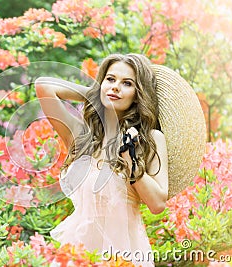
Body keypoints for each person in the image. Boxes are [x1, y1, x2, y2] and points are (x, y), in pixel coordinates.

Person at [35, 53, 169, 266]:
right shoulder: (83, 136)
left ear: (138, 94)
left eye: (127, 83)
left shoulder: (150, 139)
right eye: (110, 79)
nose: (115, 87)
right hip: (78, 254)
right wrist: (98, 93)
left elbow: (157, 203)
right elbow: (44, 86)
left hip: (123, 255)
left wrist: (130, 162)